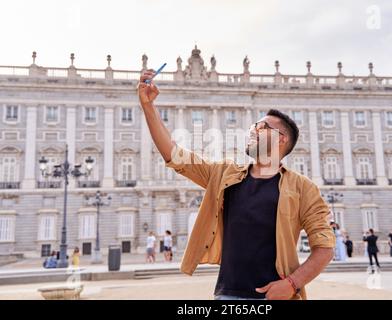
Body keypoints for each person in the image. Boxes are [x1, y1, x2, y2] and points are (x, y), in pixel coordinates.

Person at [138, 72, 336, 300]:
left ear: (281, 138)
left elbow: (325, 248)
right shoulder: (224, 174)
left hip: (276, 296)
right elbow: (174, 154)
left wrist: (292, 284)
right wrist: (148, 106)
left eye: (261, 126)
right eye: (253, 125)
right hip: (228, 295)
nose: (252, 130)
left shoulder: (303, 189)